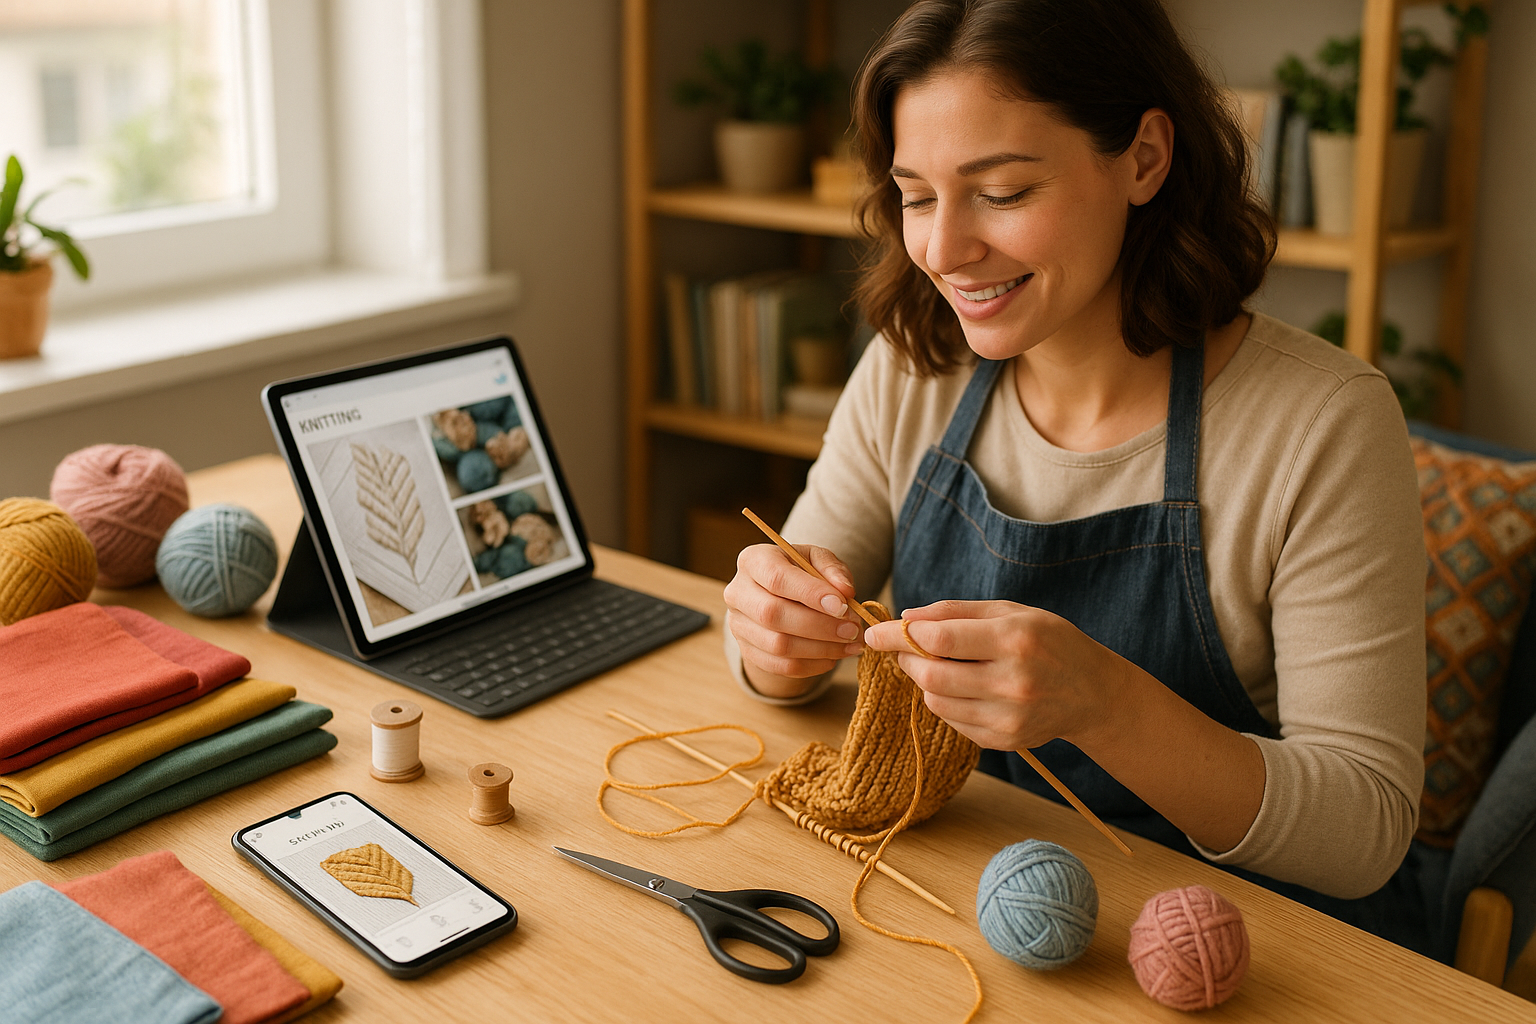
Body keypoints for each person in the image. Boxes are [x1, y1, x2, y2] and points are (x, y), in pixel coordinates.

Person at [722, 0, 1429, 945]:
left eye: (1004, 193)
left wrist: (1103, 702)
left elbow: (1366, 831)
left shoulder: (1323, 422)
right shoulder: (913, 367)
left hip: (1248, 948)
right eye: (917, 195)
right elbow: (783, 629)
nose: (940, 249)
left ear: (1144, 158)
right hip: (983, 911)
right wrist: (771, 640)